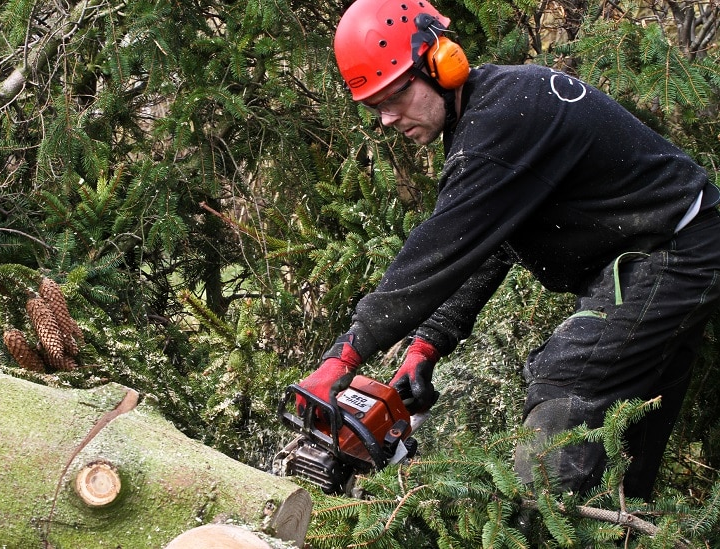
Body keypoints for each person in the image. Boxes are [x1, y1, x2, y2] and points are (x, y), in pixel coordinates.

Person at [298, 0, 720, 500]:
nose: (387, 119)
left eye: (394, 97)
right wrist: (426, 344)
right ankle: (624, 526)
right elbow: (490, 243)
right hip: (669, 250)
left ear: (439, 62)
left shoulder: (499, 124)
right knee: (625, 449)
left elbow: (437, 249)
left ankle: (544, 525)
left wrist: (344, 356)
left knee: (566, 381)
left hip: (674, 251)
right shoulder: (487, 117)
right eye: (375, 107)